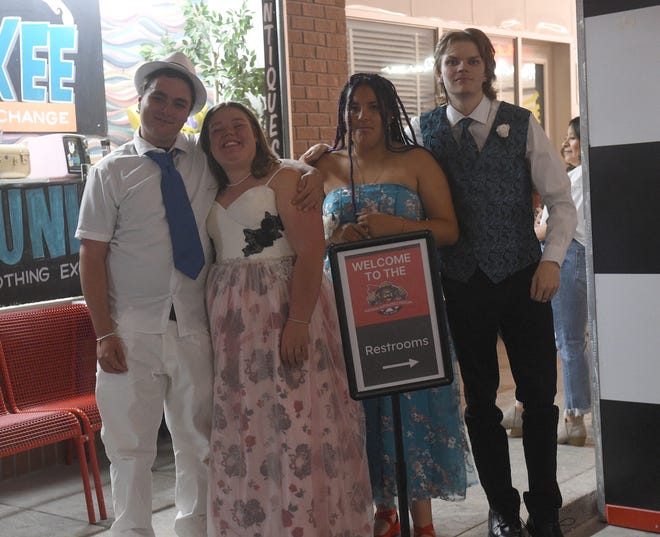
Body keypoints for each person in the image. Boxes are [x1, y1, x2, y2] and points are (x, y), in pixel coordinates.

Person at [76, 52, 321, 537]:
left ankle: (196, 529)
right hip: (131, 330)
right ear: (141, 100)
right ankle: (132, 531)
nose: (167, 109)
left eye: (179, 103)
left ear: (188, 112)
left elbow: (263, 167)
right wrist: (103, 331)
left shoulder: (202, 159)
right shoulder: (109, 172)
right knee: (129, 447)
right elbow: (91, 257)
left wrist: (312, 171)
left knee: (200, 441)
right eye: (159, 99)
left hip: (196, 325)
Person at [409, 29, 577, 537]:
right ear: (440, 73)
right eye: (452, 62)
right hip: (460, 283)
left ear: (486, 69)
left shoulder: (522, 124)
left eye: (471, 61)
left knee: (540, 399)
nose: (461, 69)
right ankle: (501, 509)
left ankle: (545, 509)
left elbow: (561, 202)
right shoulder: (422, 131)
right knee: (479, 404)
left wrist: (552, 262)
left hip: (526, 280)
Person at [200, 101, 373, 537]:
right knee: (251, 424)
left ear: (256, 131)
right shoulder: (209, 189)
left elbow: (312, 250)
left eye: (238, 124)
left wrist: (297, 321)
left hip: (284, 311)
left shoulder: (286, 178)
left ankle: (306, 522)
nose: (229, 134)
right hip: (235, 329)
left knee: (298, 417)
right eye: (217, 129)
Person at [312, 72, 473, 537]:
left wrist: (393, 227)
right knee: (361, 410)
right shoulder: (323, 168)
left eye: (372, 107)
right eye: (353, 108)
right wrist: (332, 235)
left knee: (412, 403)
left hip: (411, 308)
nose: (362, 117)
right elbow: (303, 242)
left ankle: (422, 522)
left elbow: (448, 229)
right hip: (345, 313)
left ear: (388, 113)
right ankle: (381, 509)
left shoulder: (417, 161)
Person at [534, 117, 591, 446]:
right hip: (574, 258)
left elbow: (551, 228)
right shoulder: (580, 176)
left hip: (568, 258)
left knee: (568, 341)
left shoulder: (578, 177)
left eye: (573, 139)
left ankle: (573, 416)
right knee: (571, 340)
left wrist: (532, 229)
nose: (566, 144)